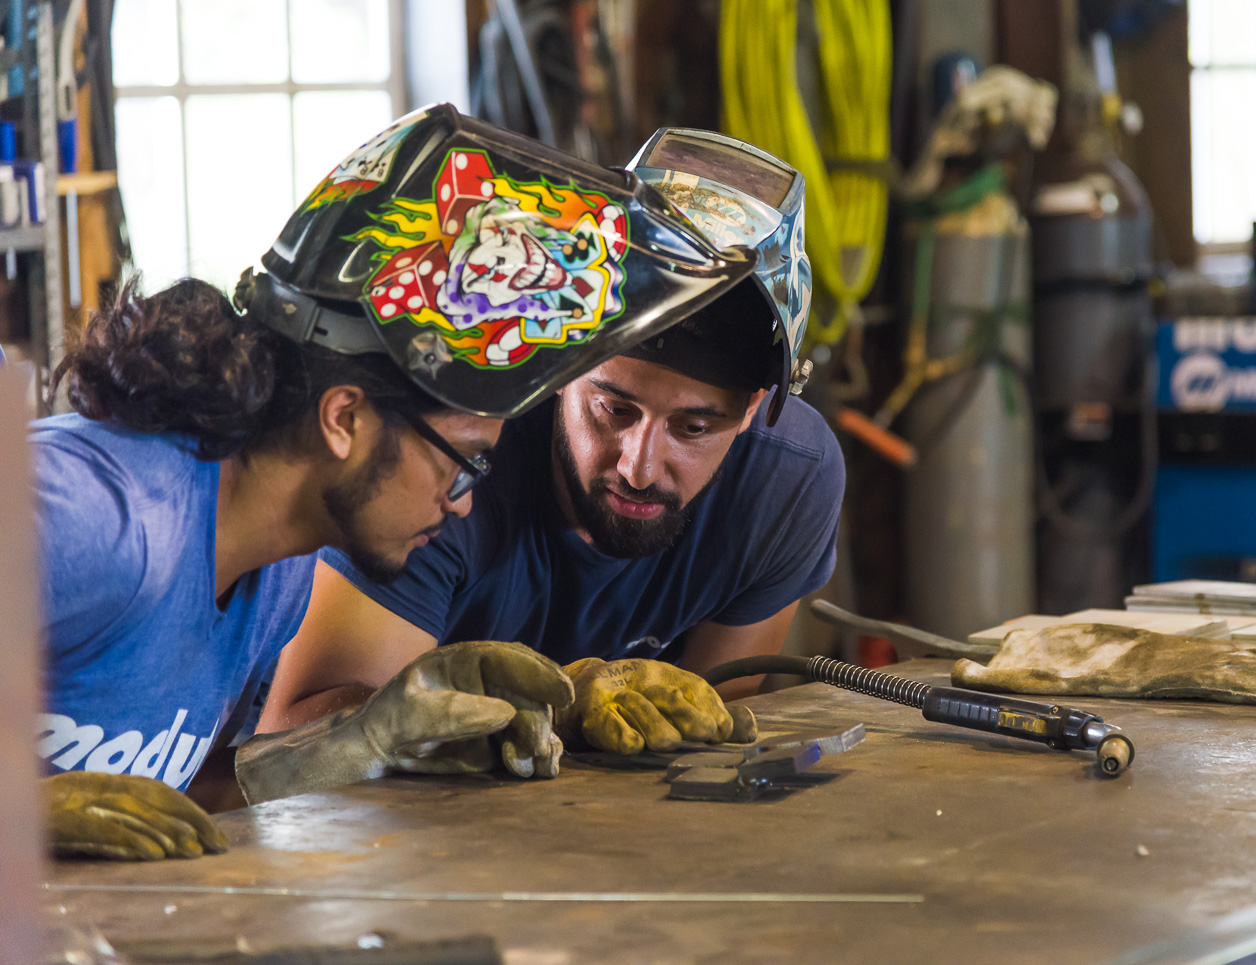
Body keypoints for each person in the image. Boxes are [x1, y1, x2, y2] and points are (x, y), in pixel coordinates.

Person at [36, 105, 756, 860]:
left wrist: (374, 733)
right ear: (344, 416)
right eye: (461, 458)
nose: (464, 498)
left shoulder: (273, 575)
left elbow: (188, 798)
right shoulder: (104, 515)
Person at [255, 130, 846, 761]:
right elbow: (290, 746)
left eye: (693, 429)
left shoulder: (788, 482)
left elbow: (703, 736)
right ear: (563, 361)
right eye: (613, 409)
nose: (639, 468)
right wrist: (544, 713)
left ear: (755, 408)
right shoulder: (448, 465)